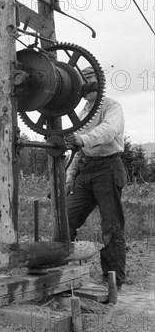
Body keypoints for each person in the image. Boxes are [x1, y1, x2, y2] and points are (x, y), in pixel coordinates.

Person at [66, 66, 126, 289]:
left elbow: (109, 131)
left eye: (89, 78)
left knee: (111, 226)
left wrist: (83, 139)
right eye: (81, 80)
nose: (85, 84)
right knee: (66, 218)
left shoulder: (111, 106)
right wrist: (70, 175)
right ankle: (66, 271)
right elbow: (78, 150)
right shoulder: (82, 112)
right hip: (86, 168)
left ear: (100, 82)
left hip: (108, 167)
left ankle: (113, 280)